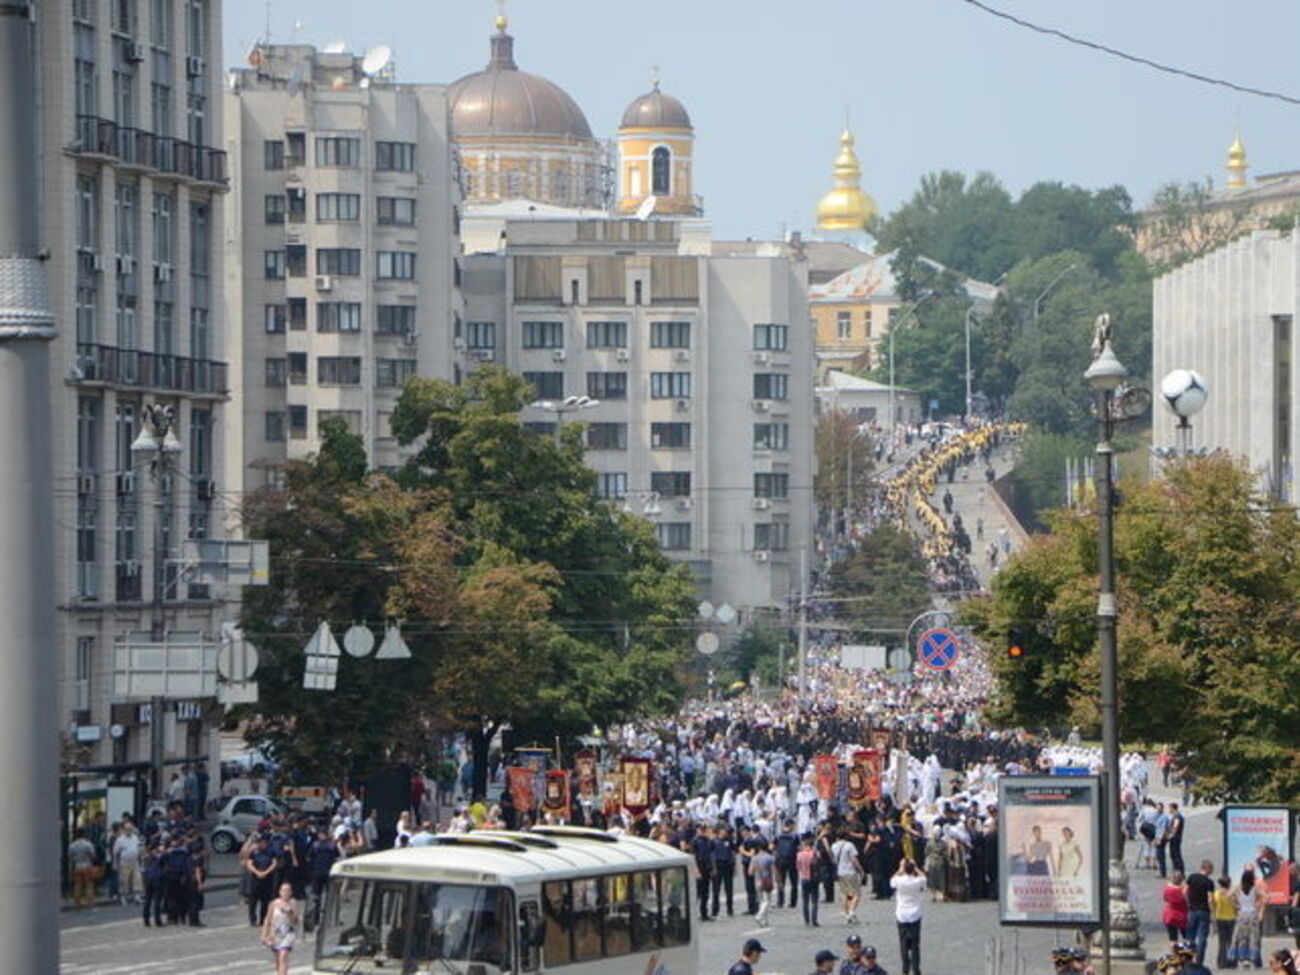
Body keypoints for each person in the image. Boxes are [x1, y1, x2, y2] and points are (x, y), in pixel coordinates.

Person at [891, 857, 926, 975]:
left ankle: (905, 968)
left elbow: (892, 881)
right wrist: (916, 867)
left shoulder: (899, 880)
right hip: (915, 913)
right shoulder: (917, 881)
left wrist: (900, 868)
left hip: (902, 914)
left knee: (903, 943)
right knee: (916, 944)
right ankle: (916, 968)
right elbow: (924, 878)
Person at [1230, 869, 1267, 969]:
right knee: (1254, 938)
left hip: (1242, 914)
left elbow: (1228, 896)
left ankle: (1243, 959)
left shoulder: (1238, 887)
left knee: (1242, 938)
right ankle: (1253, 958)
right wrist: (1258, 905)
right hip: (1253, 914)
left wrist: (1236, 905)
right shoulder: (1255, 889)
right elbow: (1266, 897)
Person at [261, 882, 299, 975]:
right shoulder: (274, 903)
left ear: (291, 892)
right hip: (276, 933)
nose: (286, 893)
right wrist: (264, 934)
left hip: (288, 933)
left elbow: (295, 921)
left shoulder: (293, 903)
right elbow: (268, 919)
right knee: (278, 959)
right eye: (283, 890)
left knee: (283, 956)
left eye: (288, 890)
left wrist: (289, 912)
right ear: (280, 892)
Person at [1184, 860, 1216, 966]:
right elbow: (1210, 899)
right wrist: (1213, 912)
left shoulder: (1192, 877)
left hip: (1192, 910)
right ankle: (1199, 961)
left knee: (1190, 937)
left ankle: (1188, 959)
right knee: (1202, 937)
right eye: (1211, 869)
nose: (1212, 872)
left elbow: (1185, 891)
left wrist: (1188, 902)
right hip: (1204, 911)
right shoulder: (1209, 882)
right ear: (1208, 869)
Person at [832, 828, 864, 925]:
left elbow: (834, 859)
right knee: (856, 894)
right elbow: (854, 859)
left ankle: (846, 914)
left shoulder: (834, 846)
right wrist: (861, 870)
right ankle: (852, 912)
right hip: (850, 871)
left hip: (840, 872)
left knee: (844, 894)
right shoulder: (849, 845)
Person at [1212, 874, 1238, 971]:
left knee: (1222, 942)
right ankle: (1232, 961)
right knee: (1231, 941)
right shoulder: (1232, 894)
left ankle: (1222, 962)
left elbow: (1213, 905)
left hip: (1220, 918)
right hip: (1231, 918)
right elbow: (1236, 905)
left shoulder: (1217, 893)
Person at [68, 828, 98, 909]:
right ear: (84, 834)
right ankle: (90, 904)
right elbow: (93, 855)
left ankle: (77, 904)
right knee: (89, 886)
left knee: (77, 886)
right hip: (87, 866)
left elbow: (70, 857)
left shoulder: (72, 845)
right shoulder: (88, 844)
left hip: (77, 866)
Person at [796, 835, 820, 927]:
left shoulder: (799, 854)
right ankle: (814, 920)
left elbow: (798, 867)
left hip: (804, 878)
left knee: (805, 901)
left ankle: (806, 920)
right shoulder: (816, 853)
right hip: (814, 878)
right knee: (814, 901)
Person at [753, 841, 776, 928]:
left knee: (761, 901)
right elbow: (774, 870)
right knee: (767, 901)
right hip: (767, 880)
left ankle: (765, 921)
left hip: (758, 880)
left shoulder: (755, 858)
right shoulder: (770, 858)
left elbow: (750, 872)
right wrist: (777, 881)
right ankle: (759, 916)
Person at [1164, 872, 1190, 943]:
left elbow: (1165, 899)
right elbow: (1187, 902)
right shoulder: (1183, 890)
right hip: (1181, 915)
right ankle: (1185, 952)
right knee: (1187, 937)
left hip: (1169, 914)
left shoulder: (1167, 889)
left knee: (1172, 938)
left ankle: (1174, 952)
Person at [1167, 802, 1187, 875]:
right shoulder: (1178, 816)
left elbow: (1176, 826)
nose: (1169, 810)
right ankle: (1179, 870)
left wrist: (1171, 835)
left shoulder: (1177, 816)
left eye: (1170, 808)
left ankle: (1179, 870)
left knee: (1175, 855)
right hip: (1177, 837)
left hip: (1175, 838)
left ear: (1173, 808)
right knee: (1176, 854)